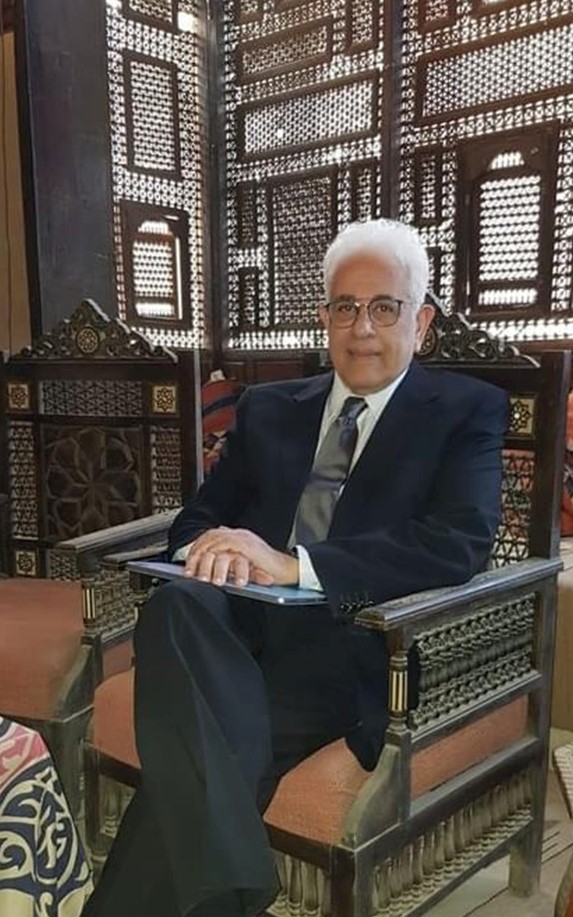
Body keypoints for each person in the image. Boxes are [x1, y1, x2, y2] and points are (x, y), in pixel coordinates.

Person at [84, 219, 508, 917]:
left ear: (421, 322)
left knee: (201, 749)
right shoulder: (270, 407)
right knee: (176, 606)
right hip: (234, 626)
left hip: (354, 635)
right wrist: (216, 547)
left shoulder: (464, 410)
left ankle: (222, 889)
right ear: (323, 317)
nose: (362, 328)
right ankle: (236, 880)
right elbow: (196, 519)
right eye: (345, 307)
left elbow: (456, 541)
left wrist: (295, 565)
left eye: (384, 307)